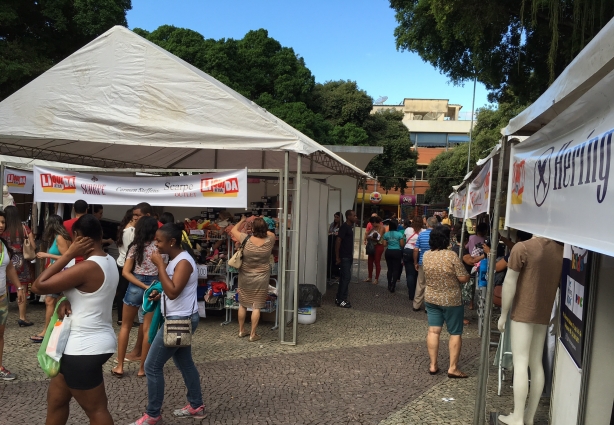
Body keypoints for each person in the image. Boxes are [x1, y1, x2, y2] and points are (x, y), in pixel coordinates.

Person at [31, 214, 119, 424]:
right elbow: (88, 294)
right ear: (100, 235)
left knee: (96, 410)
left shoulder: (86, 267)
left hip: (82, 349)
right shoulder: (109, 262)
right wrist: (63, 300)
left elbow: (38, 285)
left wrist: (68, 254)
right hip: (90, 344)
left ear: (77, 237)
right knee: (57, 400)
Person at [129, 223, 204, 424]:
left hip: (180, 321)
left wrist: (160, 266)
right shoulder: (176, 260)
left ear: (172, 241)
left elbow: (173, 291)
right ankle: (196, 405)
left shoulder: (184, 262)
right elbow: (170, 289)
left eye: (160, 241)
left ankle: (152, 414)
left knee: (151, 366)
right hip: (178, 318)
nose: (156, 245)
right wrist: (158, 293)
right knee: (185, 363)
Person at [113, 216, 161, 378]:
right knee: (148, 329)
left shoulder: (135, 247)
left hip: (135, 285)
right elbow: (164, 271)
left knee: (125, 326)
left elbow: (126, 272)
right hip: (154, 287)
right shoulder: (159, 249)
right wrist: (150, 287)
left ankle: (120, 366)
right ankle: (142, 369)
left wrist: (141, 285)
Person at [422, 225, 470, 378]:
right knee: (455, 332)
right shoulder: (451, 256)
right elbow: (463, 278)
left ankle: (433, 365)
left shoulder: (427, 255)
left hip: (431, 297)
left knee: (433, 331)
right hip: (451, 300)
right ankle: (453, 368)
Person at [230, 216, 275, 342]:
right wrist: (262, 228)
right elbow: (270, 233)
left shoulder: (246, 238)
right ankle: (253, 334)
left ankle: (241, 330)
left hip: (245, 275)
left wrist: (242, 221)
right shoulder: (270, 239)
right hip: (261, 277)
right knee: (256, 306)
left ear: (253, 228)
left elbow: (233, 230)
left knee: (243, 304)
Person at [30, 215, 72, 343]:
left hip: (59, 274)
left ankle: (46, 331)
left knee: (49, 300)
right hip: (57, 273)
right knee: (55, 301)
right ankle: (53, 330)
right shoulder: (59, 237)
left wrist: (46, 254)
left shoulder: (59, 238)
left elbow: (67, 257)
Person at [0, 210, 25, 380]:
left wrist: (20, 288)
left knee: (0, 334)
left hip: (1, 298)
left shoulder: (2, 244)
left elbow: (9, 268)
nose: (1, 225)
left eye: (3, 222)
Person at [2, 205, 35, 326]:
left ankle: (3, 315)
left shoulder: (3, 230)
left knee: (3, 288)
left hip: (6, 260)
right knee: (21, 289)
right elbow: (33, 246)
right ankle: (22, 317)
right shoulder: (24, 228)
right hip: (21, 262)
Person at [114, 208, 136, 326]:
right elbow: (131, 249)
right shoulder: (131, 231)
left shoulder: (123, 229)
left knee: (121, 291)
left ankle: (121, 318)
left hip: (120, 262)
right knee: (125, 292)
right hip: (127, 264)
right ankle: (123, 319)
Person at [413, 216, 438, 312]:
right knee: (431, 285)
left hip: (422, 262)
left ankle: (416, 305)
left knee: (420, 283)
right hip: (434, 262)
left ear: (427, 224)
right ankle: (428, 307)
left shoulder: (421, 235)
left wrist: (415, 262)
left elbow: (415, 250)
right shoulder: (437, 236)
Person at [335, 210, 357, 309]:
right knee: (346, 278)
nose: (356, 217)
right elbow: (338, 241)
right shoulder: (344, 227)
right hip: (344, 257)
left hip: (348, 256)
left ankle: (339, 298)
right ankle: (341, 299)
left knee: (344, 278)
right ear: (348, 217)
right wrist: (337, 257)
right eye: (354, 215)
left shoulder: (349, 227)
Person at [383, 219, 405, 293]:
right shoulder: (399, 234)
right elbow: (402, 245)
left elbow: (384, 244)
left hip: (389, 251)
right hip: (397, 252)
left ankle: (389, 284)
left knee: (390, 269)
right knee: (396, 269)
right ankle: (393, 285)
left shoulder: (386, 234)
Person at [403, 218, 422, 300]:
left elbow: (405, 238)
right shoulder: (423, 231)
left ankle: (411, 294)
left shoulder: (408, 229)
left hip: (408, 251)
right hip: (419, 252)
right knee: (418, 274)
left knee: (410, 274)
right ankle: (417, 293)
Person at [364, 216, 385, 285]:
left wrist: (370, 237)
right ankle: (369, 277)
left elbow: (378, 238)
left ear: (375, 222)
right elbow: (367, 234)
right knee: (370, 261)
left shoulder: (381, 228)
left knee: (377, 261)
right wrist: (370, 237)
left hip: (378, 246)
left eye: (372, 223)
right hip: (373, 246)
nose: (372, 224)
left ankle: (376, 278)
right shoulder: (373, 228)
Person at [327, 212, 342, 280]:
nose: (335, 219)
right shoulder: (333, 224)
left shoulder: (342, 225)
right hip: (331, 242)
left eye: (337, 217)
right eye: (335, 217)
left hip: (337, 243)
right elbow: (329, 231)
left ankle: (336, 273)